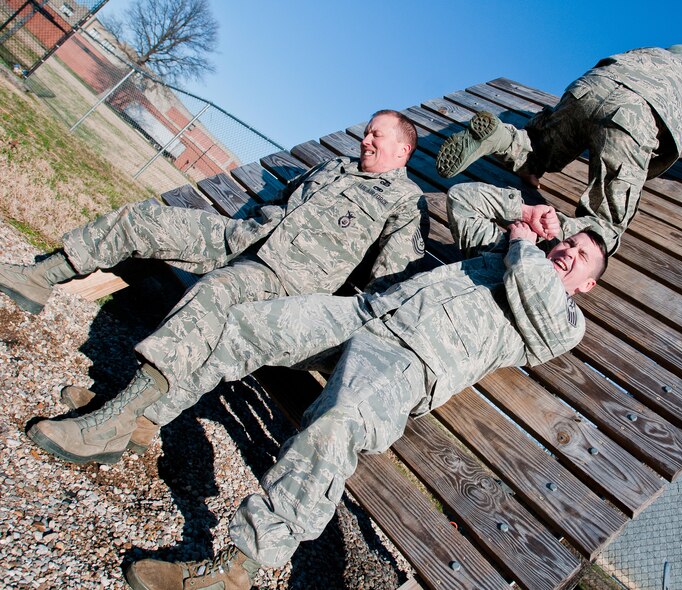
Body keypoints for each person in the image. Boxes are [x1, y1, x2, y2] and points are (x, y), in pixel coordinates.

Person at [76, 180, 606, 590]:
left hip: (403, 365)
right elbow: (464, 199)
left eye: (580, 258)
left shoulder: (563, 319)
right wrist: (521, 212)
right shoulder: (500, 254)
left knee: (334, 427)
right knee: (245, 327)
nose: (568, 253)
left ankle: (235, 568)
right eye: (570, 244)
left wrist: (525, 243)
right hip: (365, 312)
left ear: (588, 286)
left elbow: (530, 282)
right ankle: (134, 420)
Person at [17, 110, 429, 464]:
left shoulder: (405, 201)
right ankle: (39, 278)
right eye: (367, 131)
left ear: (402, 150)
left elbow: (386, 287)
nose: (366, 138)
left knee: (216, 294)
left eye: (377, 134)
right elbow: (283, 204)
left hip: (284, 282)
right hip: (242, 238)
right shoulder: (334, 166)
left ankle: (118, 420)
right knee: (145, 220)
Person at [435, 44, 682, 254]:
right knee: (605, 224)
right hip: (634, 118)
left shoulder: (647, 52)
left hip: (589, 88)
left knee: (539, 148)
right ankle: (553, 232)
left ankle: (499, 136)